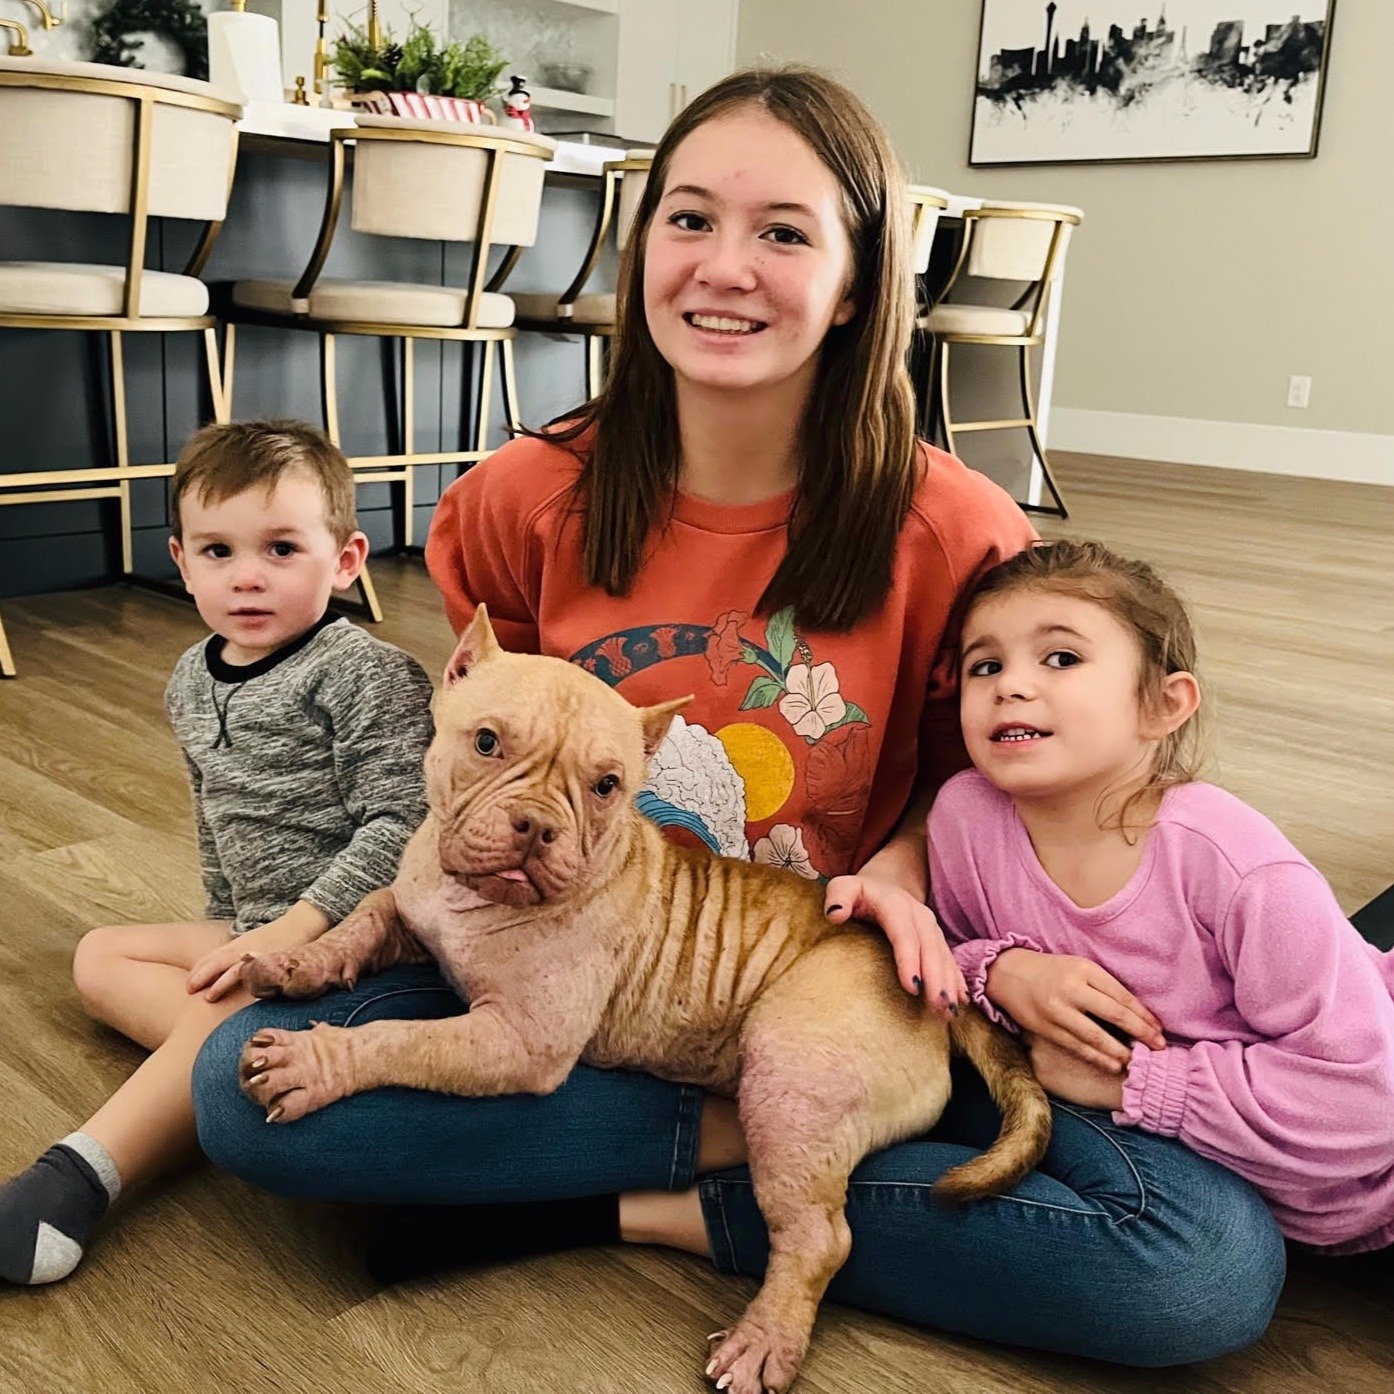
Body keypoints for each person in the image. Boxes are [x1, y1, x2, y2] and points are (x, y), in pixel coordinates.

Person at [191, 69, 1284, 1365]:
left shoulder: (957, 529)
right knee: (243, 1094)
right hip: (574, 968)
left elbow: (999, 788)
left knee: (1200, 1271)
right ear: (638, 242)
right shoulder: (521, 498)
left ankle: (668, 1193)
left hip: (850, 980)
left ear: (861, 281)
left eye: (784, 231)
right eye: (689, 218)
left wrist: (900, 890)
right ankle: (803, 1145)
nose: (725, 267)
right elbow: (496, 762)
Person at [0, 421, 434, 1285]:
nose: (246, 575)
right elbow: (212, 812)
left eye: (280, 548)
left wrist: (296, 934)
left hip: (362, 940)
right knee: (97, 957)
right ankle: (238, 1059)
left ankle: (83, 1171)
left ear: (345, 559)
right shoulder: (189, 677)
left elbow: (402, 830)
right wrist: (232, 927)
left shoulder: (366, 674)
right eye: (218, 550)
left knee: (216, 999)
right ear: (181, 560)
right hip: (260, 919)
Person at [932, 537, 1394, 1255]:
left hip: (1366, 1196)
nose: (1010, 685)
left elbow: (1369, 1107)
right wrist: (997, 970)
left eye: (1061, 658)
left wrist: (1136, 1084)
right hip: (1213, 1176)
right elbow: (939, 953)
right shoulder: (965, 816)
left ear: (1162, 706)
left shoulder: (1238, 867)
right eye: (984, 664)